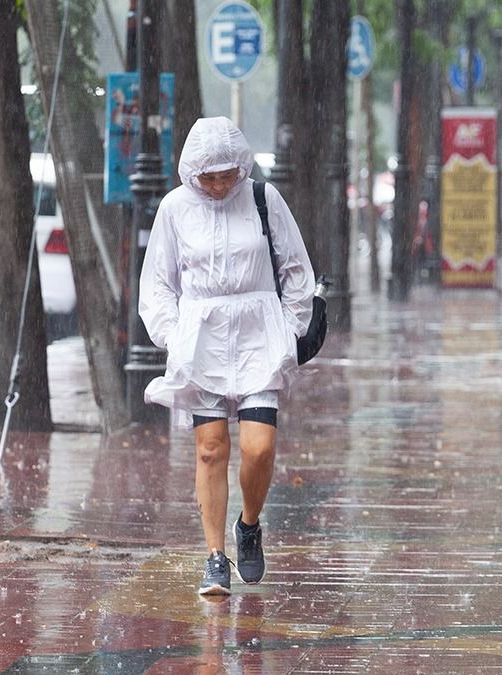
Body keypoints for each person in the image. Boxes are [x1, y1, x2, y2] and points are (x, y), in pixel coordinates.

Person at [138, 116, 315, 596]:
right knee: (210, 448)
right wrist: (175, 337)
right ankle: (215, 556)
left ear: (241, 167)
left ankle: (250, 524)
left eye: (226, 175)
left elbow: (296, 267)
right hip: (204, 339)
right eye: (208, 177)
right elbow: (159, 282)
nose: (218, 185)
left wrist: (292, 328)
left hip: (259, 332)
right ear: (192, 173)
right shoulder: (175, 209)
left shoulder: (263, 199)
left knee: (259, 446)